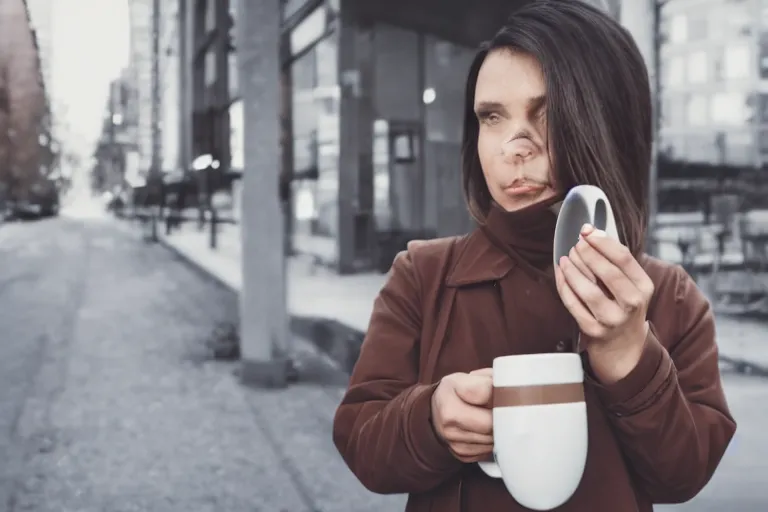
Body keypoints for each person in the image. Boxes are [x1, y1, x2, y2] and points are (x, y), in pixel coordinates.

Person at [332, 1, 736, 511]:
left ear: (604, 122)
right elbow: (359, 439)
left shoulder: (669, 295)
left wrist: (628, 354)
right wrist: (430, 419)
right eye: (492, 118)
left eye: (545, 116)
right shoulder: (423, 276)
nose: (513, 147)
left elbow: (684, 475)